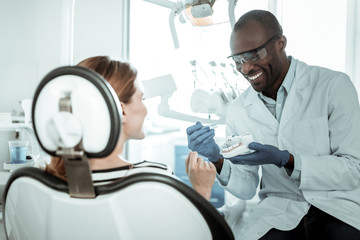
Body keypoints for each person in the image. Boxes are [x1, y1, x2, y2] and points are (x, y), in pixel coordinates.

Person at [186, 9, 360, 240]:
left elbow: (352, 169)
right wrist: (218, 159)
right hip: (279, 212)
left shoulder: (333, 86)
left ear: (281, 43)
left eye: (255, 55)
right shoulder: (239, 109)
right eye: (238, 60)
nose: (246, 68)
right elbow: (247, 187)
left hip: (337, 207)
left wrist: (286, 160)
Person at [45, 56, 216, 200]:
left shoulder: (47, 181)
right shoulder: (155, 180)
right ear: (122, 111)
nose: (145, 109)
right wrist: (202, 190)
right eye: (142, 99)